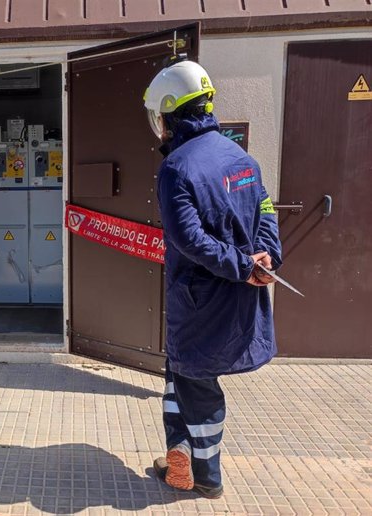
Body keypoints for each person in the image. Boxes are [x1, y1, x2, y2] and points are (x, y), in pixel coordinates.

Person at [143, 57, 282, 499]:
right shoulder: (242, 158)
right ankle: (178, 453)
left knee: (198, 383)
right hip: (238, 294)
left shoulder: (177, 168)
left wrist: (245, 265)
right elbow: (265, 209)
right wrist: (266, 256)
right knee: (179, 372)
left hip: (200, 298)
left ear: (169, 113)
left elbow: (189, 240)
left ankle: (206, 476)